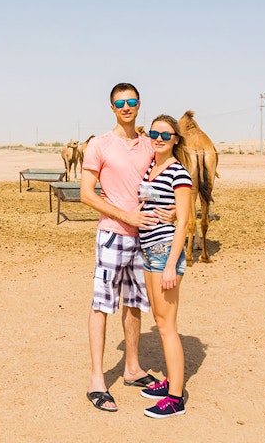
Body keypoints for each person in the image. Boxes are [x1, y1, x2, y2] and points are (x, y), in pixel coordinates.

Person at [80, 83, 172, 412]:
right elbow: (87, 194)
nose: (126, 106)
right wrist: (125, 215)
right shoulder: (99, 145)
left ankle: (132, 369)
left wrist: (169, 210)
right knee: (102, 305)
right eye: (120, 102)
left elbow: (158, 184)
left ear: (139, 104)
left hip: (144, 239)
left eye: (131, 101)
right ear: (112, 108)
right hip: (112, 235)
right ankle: (97, 380)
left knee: (135, 305)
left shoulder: (150, 144)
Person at [136, 114, 192, 418]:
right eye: (155, 133)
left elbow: (183, 221)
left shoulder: (179, 173)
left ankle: (175, 398)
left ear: (175, 139)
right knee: (159, 322)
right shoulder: (150, 169)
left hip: (164, 254)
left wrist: (172, 264)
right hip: (149, 253)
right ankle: (171, 380)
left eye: (166, 134)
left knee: (168, 326)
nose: (159, 138)